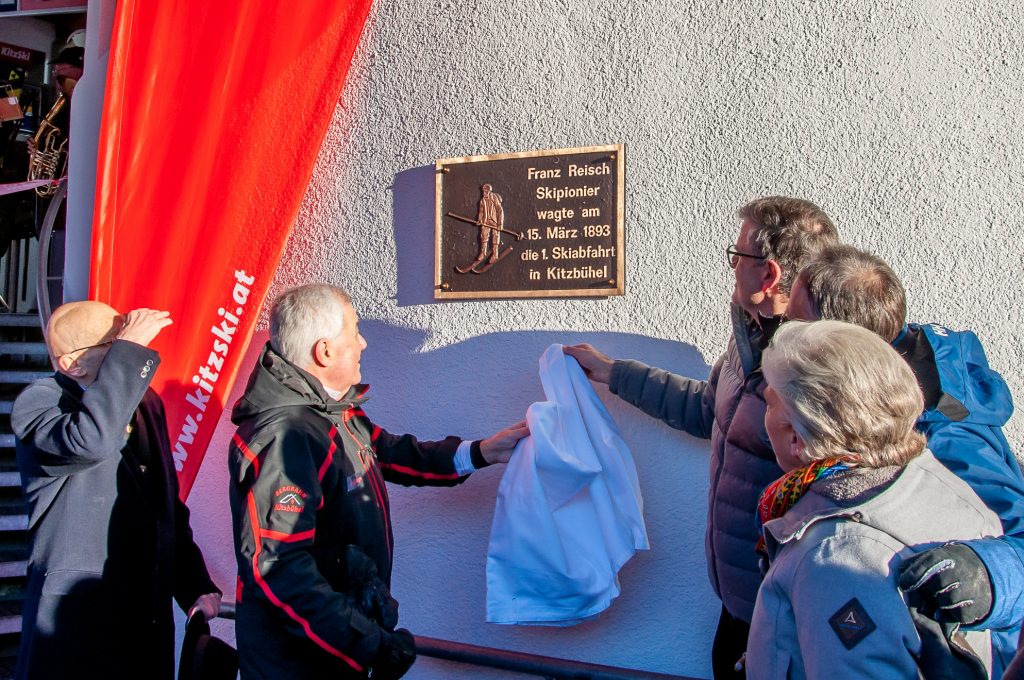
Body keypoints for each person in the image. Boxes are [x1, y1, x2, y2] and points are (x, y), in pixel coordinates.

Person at [565, 196, 839, 678]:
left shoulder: (818, 373)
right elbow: (708, 409)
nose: (732, 266)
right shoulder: (749, 339)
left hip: (787, 615)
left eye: (738, 256)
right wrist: (612, 373)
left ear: (769, 274)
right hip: (737, 601)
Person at [228, 284, 528, 679]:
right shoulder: (288, 435)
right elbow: (280, 569)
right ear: (325, 351)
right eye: (354, 332)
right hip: (301, 664)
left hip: (336, 649)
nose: (364, 343)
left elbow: (388, 453)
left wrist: (482, 452)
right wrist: (371, 645)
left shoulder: (330, 411)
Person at [787, 244, 1024, 676]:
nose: (782, 335)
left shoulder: (947, 435)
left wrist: (987, 575)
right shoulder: (865, 400)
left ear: (843, 341)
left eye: (795, 325)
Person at [746, 320, 1002, 679]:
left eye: (770, 402)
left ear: (795, 438)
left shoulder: (832, 560)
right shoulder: (942, 484)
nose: (764, 414)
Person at [11, 302, 221, 680]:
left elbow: (164, 502)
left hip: (143, 623)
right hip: (78, 632)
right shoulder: (39, 403)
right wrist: (131, 352)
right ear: (72, 365)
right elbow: (92, 440)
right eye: (115, 343)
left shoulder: (146, 402)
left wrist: (193, 583)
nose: (130, 349)